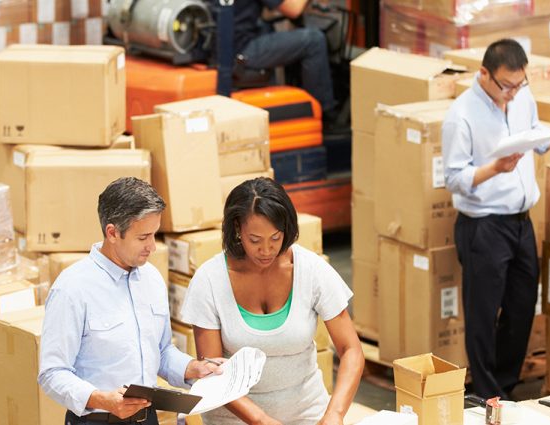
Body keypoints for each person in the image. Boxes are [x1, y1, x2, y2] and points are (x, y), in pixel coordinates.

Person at [442, 39, 550, 400]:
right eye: (505, 86)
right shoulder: (460, 116)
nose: (512, 93)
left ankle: (504, 385)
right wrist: (494, 169)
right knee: (483, 313)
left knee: (523, 307)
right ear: (484, 75)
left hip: (521, 222)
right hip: (483, 226)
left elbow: (534, 134)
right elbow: (455, 178)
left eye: (518, 84)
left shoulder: (521, 97)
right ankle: (487, 395)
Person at [38, 177, 223, 425]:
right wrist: (102, 399)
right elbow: (52, 373)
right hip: (97, 421)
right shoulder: (72, 289)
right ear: (112, 233)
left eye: (154, 235)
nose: (152, 247)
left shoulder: (152, 279)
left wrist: (191, 368)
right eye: (143, 237)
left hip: (147, 419)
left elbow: (161, 351)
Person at [181, 177, 364, 425]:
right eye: (254, 240)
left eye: (275, 238)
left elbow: (351, 350)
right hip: (234, 421)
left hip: (308, 416)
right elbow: (213, 373)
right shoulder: (210, 280)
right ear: (237, 229)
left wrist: (335, 413)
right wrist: (260, 420)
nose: (266, 250)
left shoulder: (311, 270)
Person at [231, 0, 337, 123]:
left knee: (267, 26)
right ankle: (324, 115)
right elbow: (294, 9)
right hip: (241, 50)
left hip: (225, 44)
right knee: (314, 40)